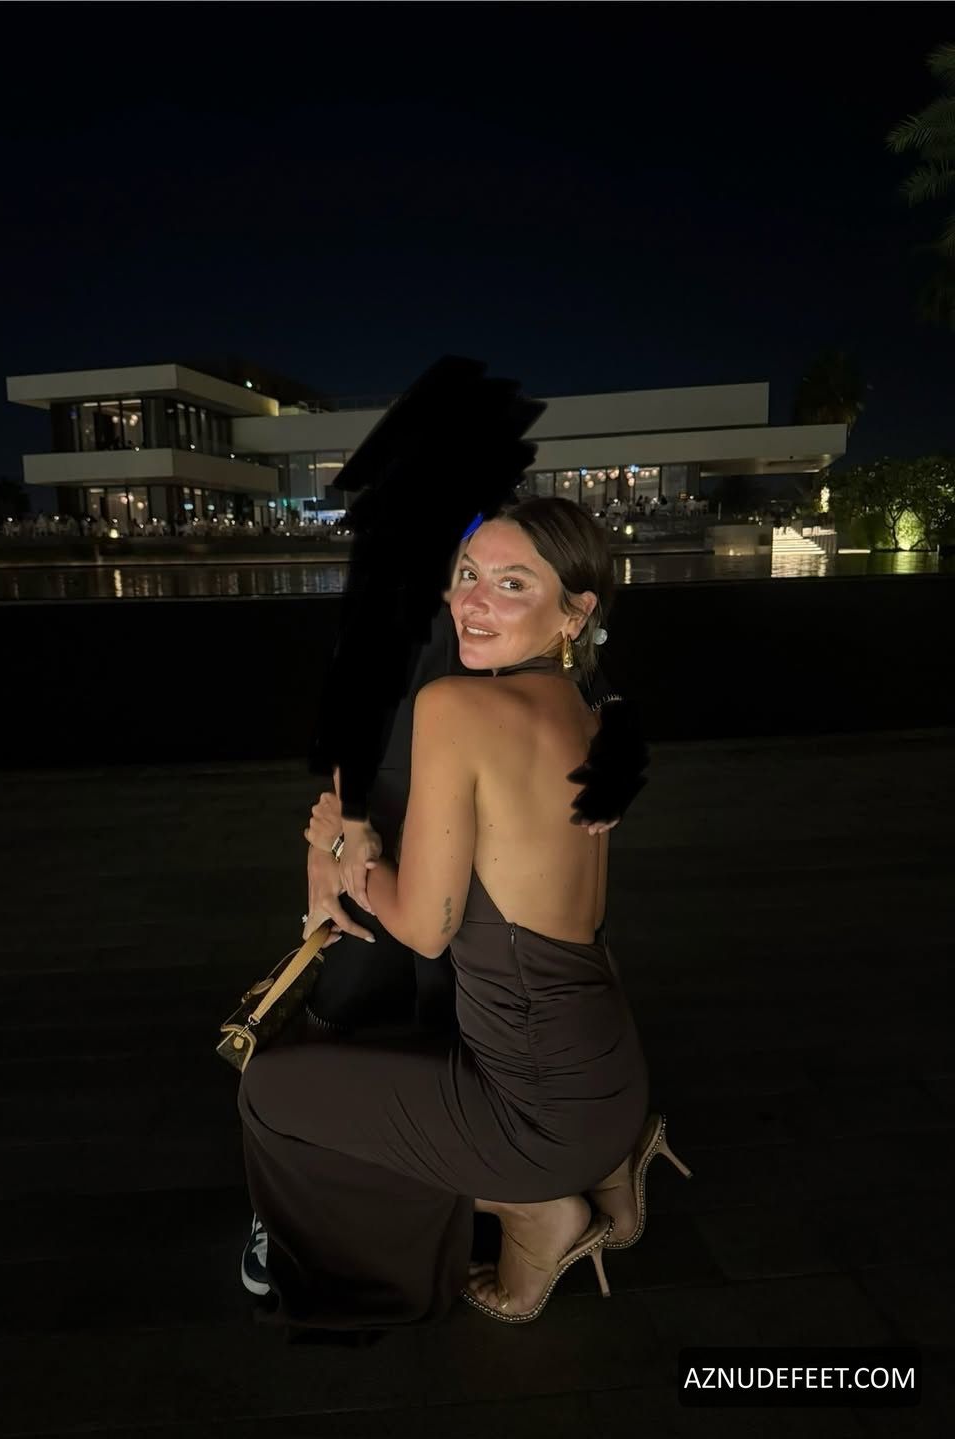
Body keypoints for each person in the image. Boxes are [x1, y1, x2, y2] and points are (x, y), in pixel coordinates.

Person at [237, 497, 666, 1330]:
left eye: (511, 583)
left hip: (540, 1117)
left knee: (268, 1096)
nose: (473, 601)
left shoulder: (457, 707)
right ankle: (607, 1177)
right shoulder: (590, 713)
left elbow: (423, 926)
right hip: (613, 1080)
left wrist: (344, 849)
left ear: (575, 611)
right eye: (469, 575)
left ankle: (532, 1209)